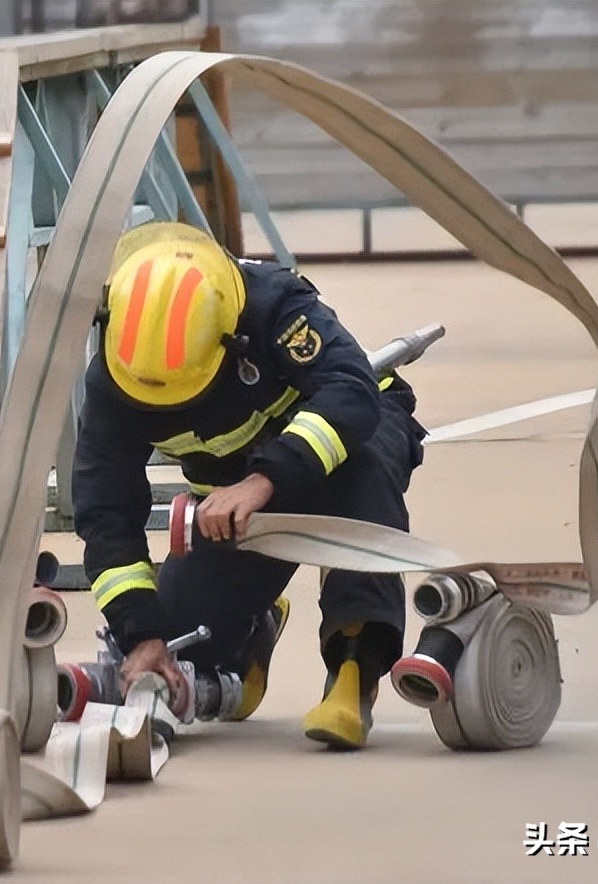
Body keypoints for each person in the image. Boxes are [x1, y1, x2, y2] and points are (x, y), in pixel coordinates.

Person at [72, 222, 426, 749]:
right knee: (180, 639)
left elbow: (349, 392)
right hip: (235, 496)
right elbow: (106, 516)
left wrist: (264, 480)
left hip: (350, 435)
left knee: (360, 478)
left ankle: (354, 671)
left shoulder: (273, 306)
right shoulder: (117, 379)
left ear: (228, 337)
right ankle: (250, 636)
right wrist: (142, 637)